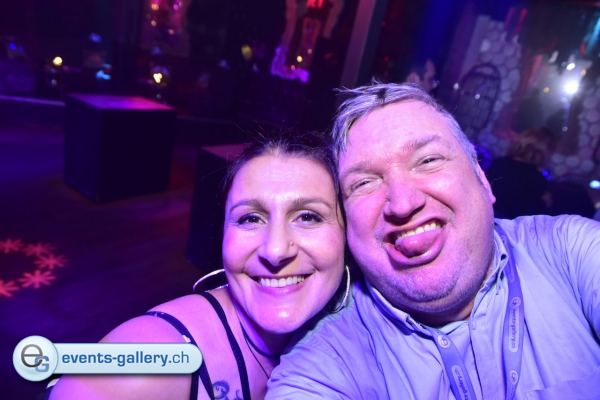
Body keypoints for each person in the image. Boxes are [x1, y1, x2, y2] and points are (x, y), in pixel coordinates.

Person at [267, 83, 600, 399]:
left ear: (482, 180)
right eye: (364, 183)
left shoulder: (569, 253)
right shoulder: (326, 360)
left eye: (428, 161)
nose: (402, 203)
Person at [48, 132, 349, 399]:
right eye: (250, 218)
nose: (275, 250)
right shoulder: (151, 360)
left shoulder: (355, 330)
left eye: (308, 216)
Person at [485, 127, 557, 219]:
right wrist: (543, 202)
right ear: (544, 153)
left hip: (488, 217)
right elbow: (531, 214)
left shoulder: (499, 163)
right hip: (509, 224)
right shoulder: (537, 178)